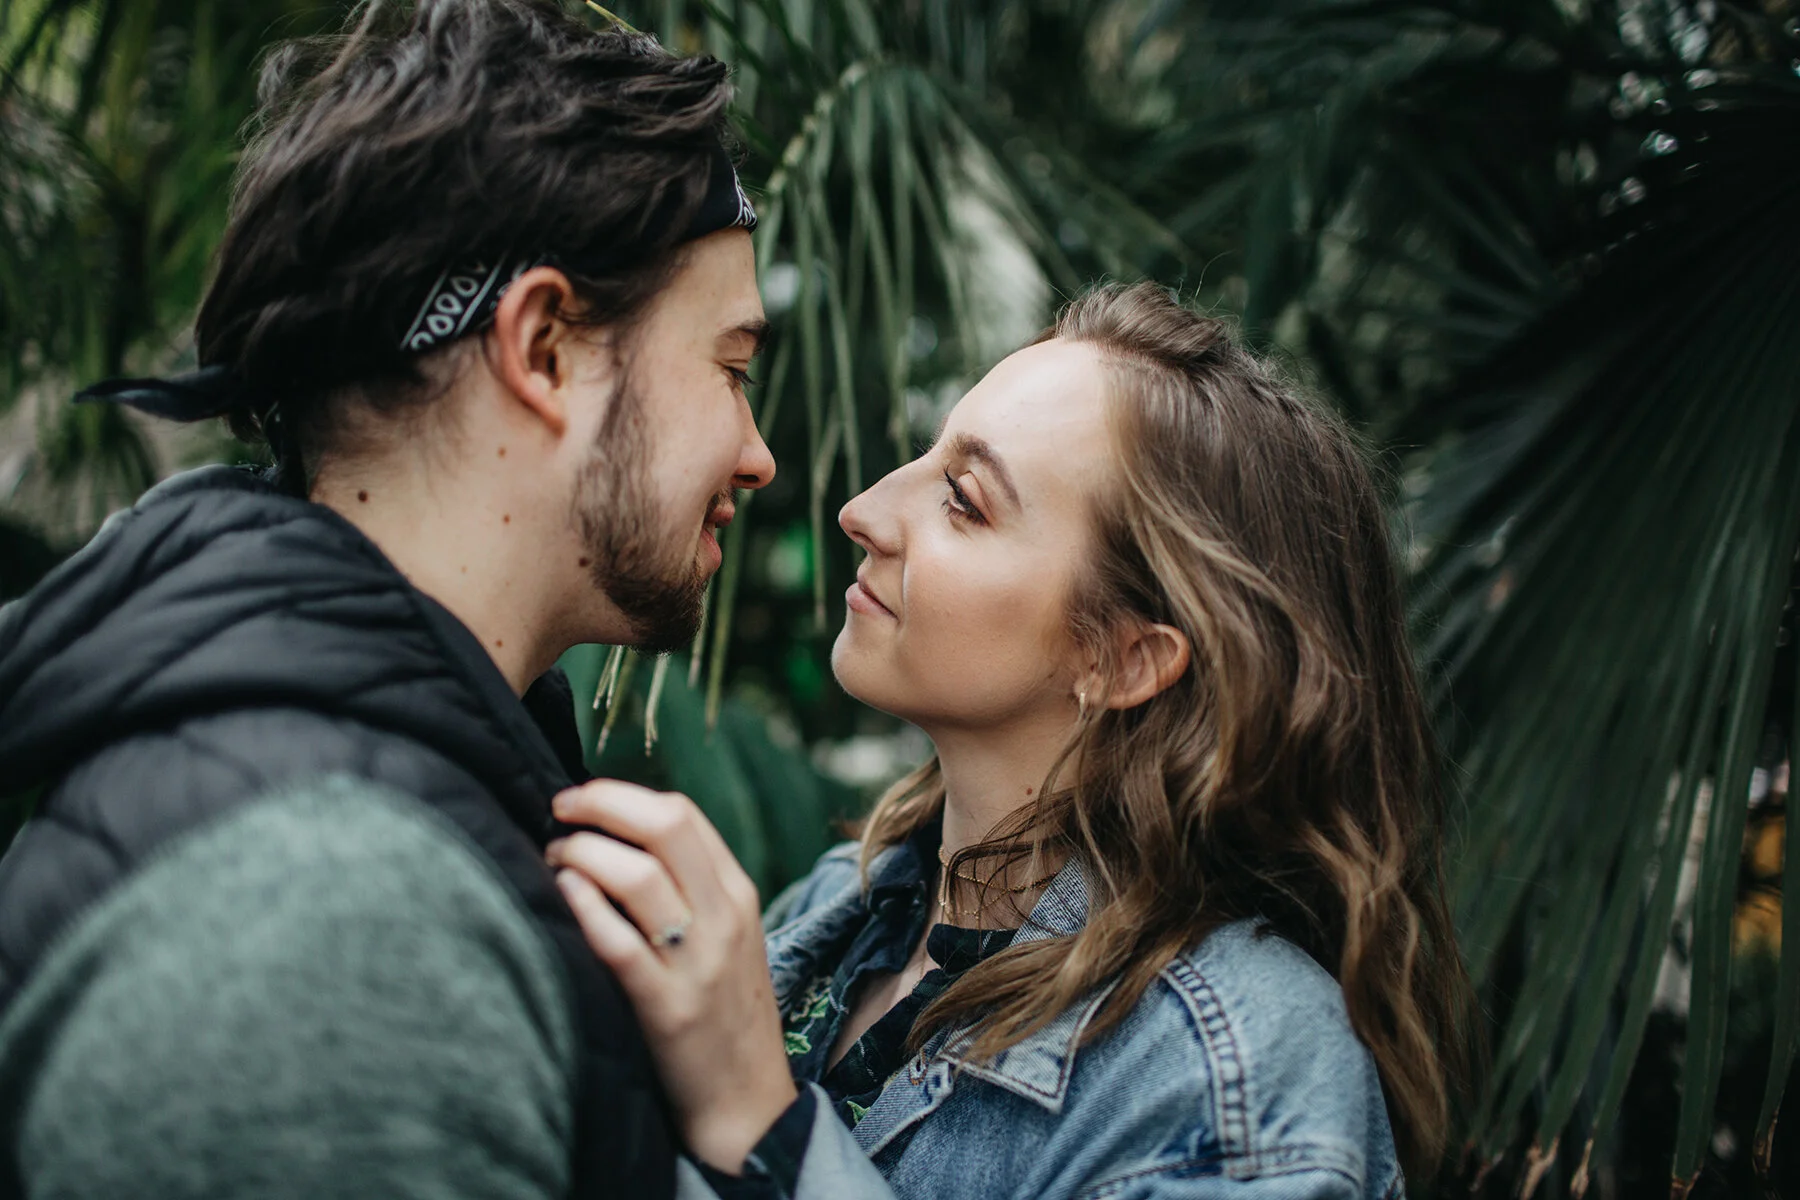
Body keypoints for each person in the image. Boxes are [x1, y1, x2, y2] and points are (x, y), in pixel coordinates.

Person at [0, 2, 773, 1196]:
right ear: (546, 348)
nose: (758, 451)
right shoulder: (329, 925)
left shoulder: (403, 795)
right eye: (730, 369)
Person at [547, 282, 1473, 1199]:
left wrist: (765, 1125)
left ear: (1123, 657)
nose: (863, 510)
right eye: (926, 458)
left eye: (963, 499)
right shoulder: (848, 908)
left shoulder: (1235, 1074)